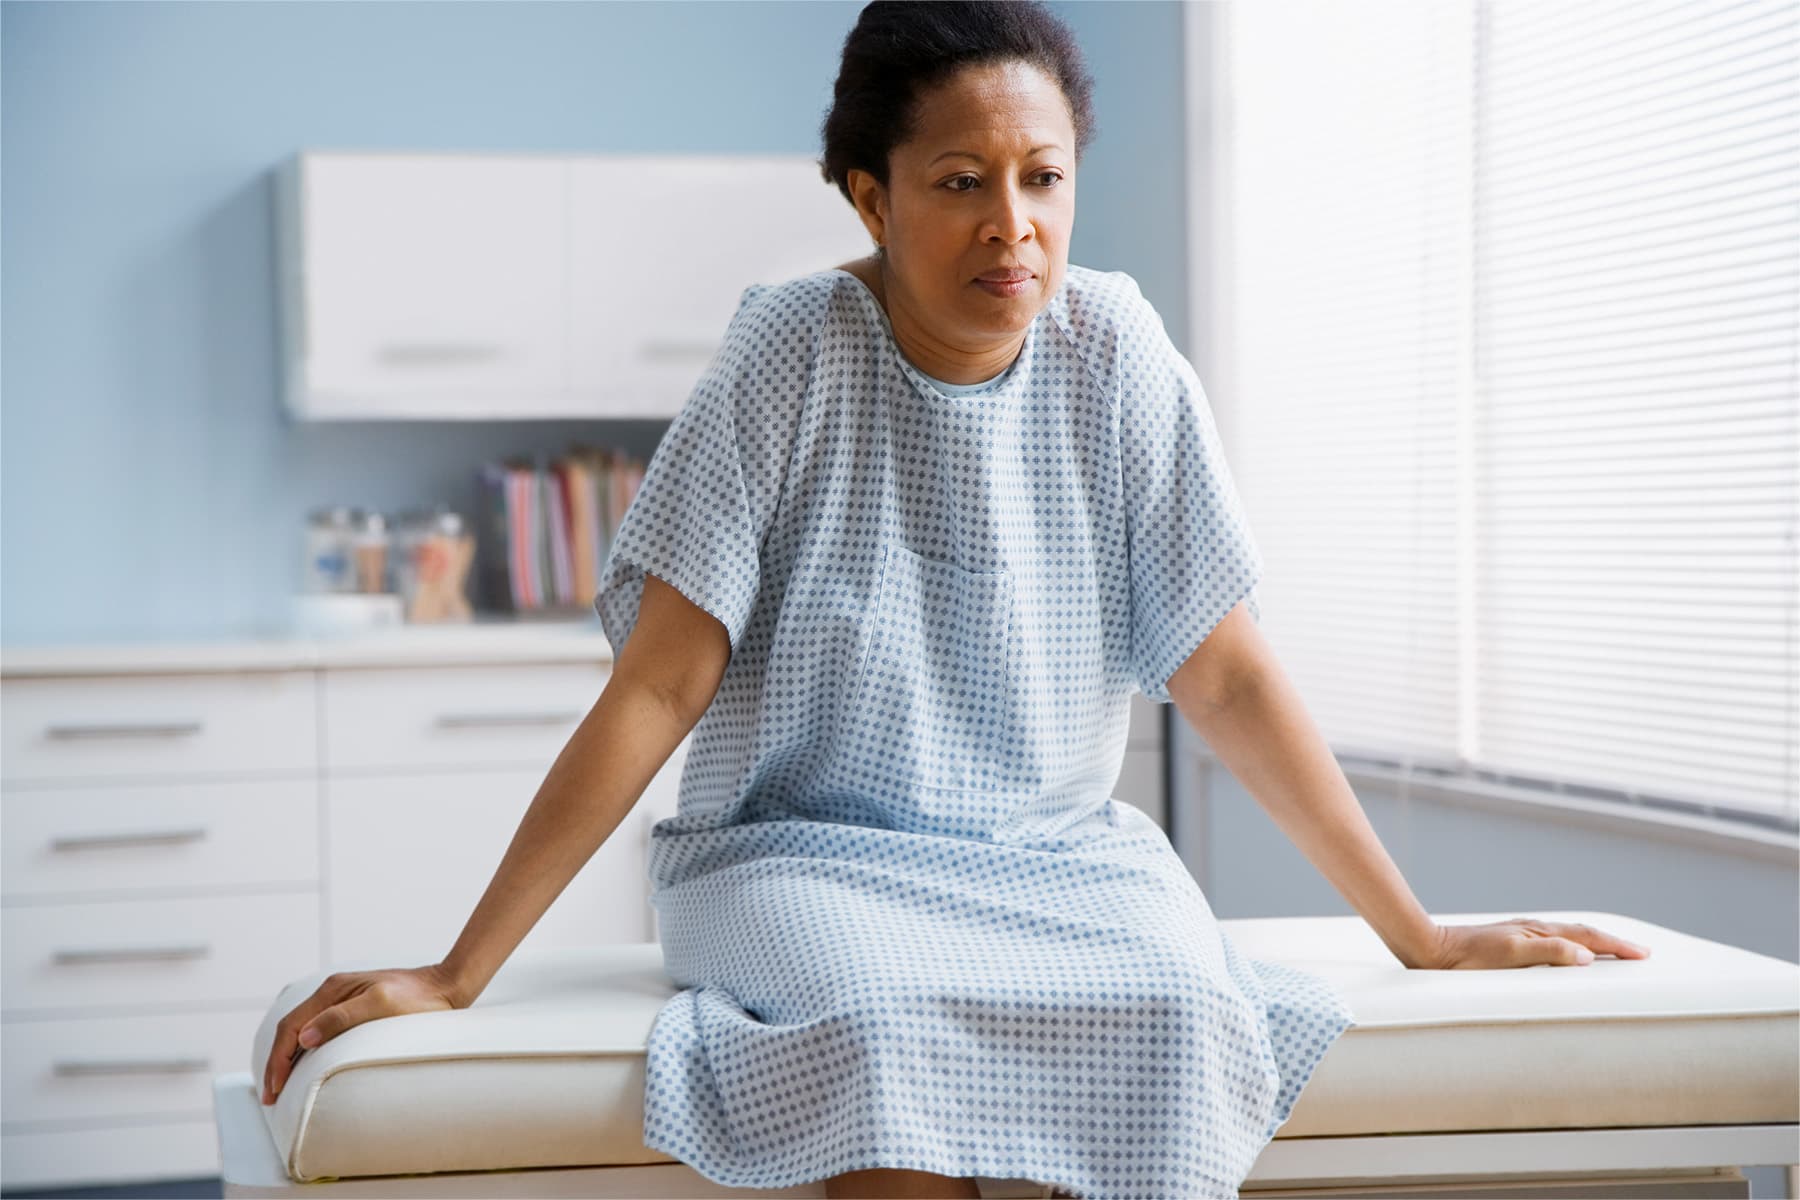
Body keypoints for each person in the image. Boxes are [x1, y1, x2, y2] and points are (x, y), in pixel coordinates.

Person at [259, 3, 1652, 1197]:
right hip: (799, 857)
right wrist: (457, 972)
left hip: (1057, 855)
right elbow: (662, 685)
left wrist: (1417, 932)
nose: (1013, 227)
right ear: (869, 195)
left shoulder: (1118, 357)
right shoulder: (787, 355)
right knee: (886, 1021)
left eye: (1043, 179)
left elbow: (1220, 673)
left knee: (1175, 1009)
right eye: (958, 181)